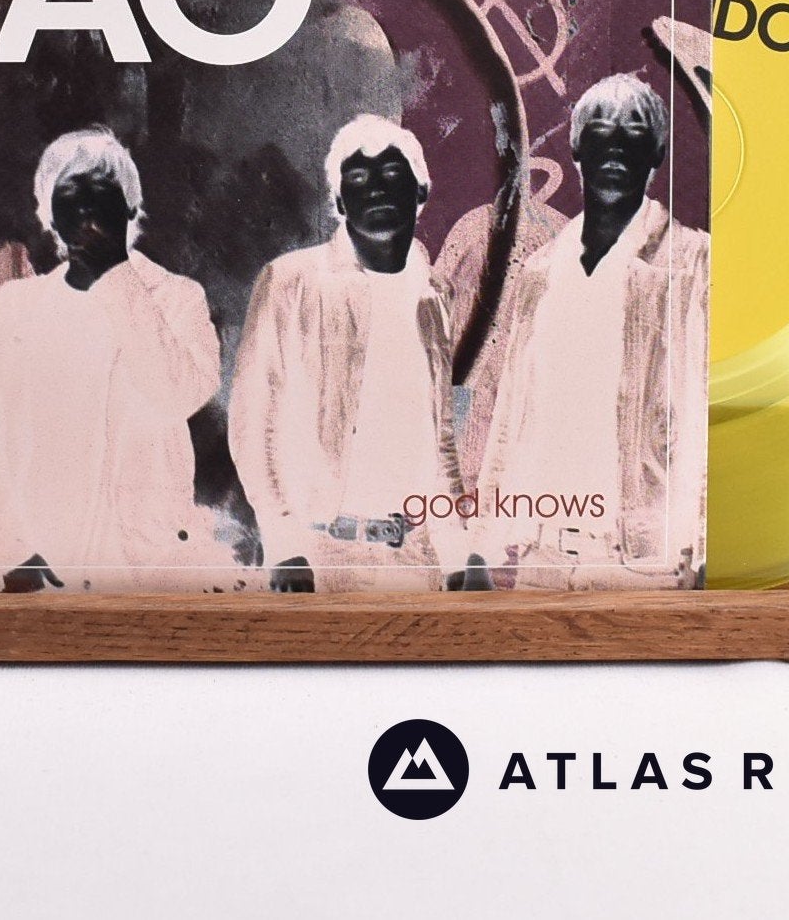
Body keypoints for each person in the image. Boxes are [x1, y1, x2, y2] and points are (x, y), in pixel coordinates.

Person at [0, 128, 230, 592]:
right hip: (36, 555)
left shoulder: (177, 298)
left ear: (130, 206)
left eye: (102, 189)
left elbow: (179, 394)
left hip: (141, 555)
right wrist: (7, 546)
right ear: (48, 213)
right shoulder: (17, 307)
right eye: (69, 191)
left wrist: (116, 277)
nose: (85, 206)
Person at [229, 115, 487, 594]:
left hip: (415, 557)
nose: (377, 188)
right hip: (322, 555)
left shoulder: (434, 295)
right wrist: (284, 545)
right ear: (340, 201)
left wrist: (457, 550)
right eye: (359, 176)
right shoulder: (291, 281)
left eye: (391, 173)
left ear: (420, 191)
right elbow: (253, 421)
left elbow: (440, 438)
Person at [475, 73, 708, 589]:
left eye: (635, 131)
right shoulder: (540, 270)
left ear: (657, 152)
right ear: (578, 149)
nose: (616, 145)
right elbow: (511, 410)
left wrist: (705, 543)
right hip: (540, 553)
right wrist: (487, 539)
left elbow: (708, 412)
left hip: (641, 559)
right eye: (600, 130)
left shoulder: (693, 261)